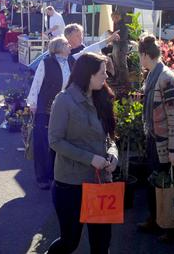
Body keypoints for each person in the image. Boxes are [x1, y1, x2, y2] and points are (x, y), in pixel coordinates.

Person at [47, 53, 118, 254]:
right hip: (71, 186)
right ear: (89, 74)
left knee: (101, 245)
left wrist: (113, 154)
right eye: (102, 73)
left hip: (100, 185)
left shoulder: (101, 97)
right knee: (69, 242)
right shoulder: (64, 100)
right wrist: (90, 159)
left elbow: (110, 137)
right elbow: (55, 141)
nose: (106, 77)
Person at [137, 34, 174, 243]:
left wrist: (173, 150)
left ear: (145, 55)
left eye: (139, 56)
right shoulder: (153, 75)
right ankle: (156, 219)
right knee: (154, 182)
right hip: (154, 138)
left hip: (165, 142)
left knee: (168, 185)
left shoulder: (165, 77)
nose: (139, 60)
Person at [27, 37, 74, 189]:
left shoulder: (71, 60)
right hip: (44, 109)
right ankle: (42, 177)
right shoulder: (46, 62)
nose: (70, 46)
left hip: (63, 108)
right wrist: (32, 104)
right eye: (67, 44)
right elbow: (37, 83)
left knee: (58, 142)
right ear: (59, 47)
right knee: (42, 143)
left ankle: (55, 175)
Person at [111, 11, 130, 84]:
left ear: (117, 17)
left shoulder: (123, 25)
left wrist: (113, 36)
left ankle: (123, 81)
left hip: (121, 47)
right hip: (118, 46)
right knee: (117, 64)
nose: (113, 20)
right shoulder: (118, 24)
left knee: (121, 64)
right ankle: (119, 80)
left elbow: (123, 37)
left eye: (113, 18)